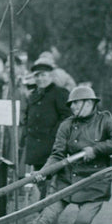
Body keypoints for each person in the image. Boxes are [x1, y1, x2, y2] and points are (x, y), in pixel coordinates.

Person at [18, 86, 112, 224]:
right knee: (46, 215)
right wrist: (43, 173)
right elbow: (57, 155)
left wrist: (96, 149)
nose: (73, 107)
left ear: (90, 103)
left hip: (95, 181)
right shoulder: (67, 125)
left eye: (78, 103)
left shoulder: (105, 121)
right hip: (66, 179)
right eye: (71, 104)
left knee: (83, 222)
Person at [21, 56, 72, 198]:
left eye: (43, 75)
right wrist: (24, 136)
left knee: (50, 177)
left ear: (51, 76)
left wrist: (53, 134)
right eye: (37, 76)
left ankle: (45, 206)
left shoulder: (59, 93)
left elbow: (67, 116)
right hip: (35, 145)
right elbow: (28, 117)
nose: (40, 79)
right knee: (39, 177)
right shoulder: (34, 94)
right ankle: (42, 204)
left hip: (51, 144)